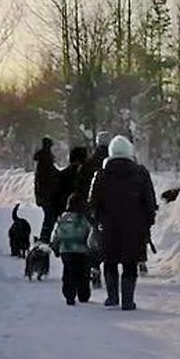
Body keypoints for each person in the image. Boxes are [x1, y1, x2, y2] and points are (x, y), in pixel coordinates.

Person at [89, 135, 156, 310]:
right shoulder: (141, 173)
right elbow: (149, 202)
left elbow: (93, 204)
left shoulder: (101, 175)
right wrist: (148, 223)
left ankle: (112, 297)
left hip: (108, 227)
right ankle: (128, 300)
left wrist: (96, 223)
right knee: (130, 262)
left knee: (109, 261)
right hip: (135, 227)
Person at [77, 131, 111, 287]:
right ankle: (111, 269)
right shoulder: (112, 162)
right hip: (110, 208)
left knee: (93, 241)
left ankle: (94, 268)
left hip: (92, 208)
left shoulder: (89, 162)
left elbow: (81, 184)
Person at [49, 192, 93, 306]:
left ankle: (69, 295)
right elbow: (90, 234)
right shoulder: (84, 219)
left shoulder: (62, 219)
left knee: (69, 273)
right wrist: (92, 248)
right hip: (82, 251)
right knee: (83, 274)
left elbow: (57, 235)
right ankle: (83, 295)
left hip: (66, 251)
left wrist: (55, 247)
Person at [33, 136, 61, 241]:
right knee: (50, 217)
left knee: (49, 217)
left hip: (44, 195)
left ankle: (45, 238)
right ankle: (44, 238)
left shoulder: (42, 161)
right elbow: (52, 176)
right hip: (48, 196)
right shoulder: (46, 160)